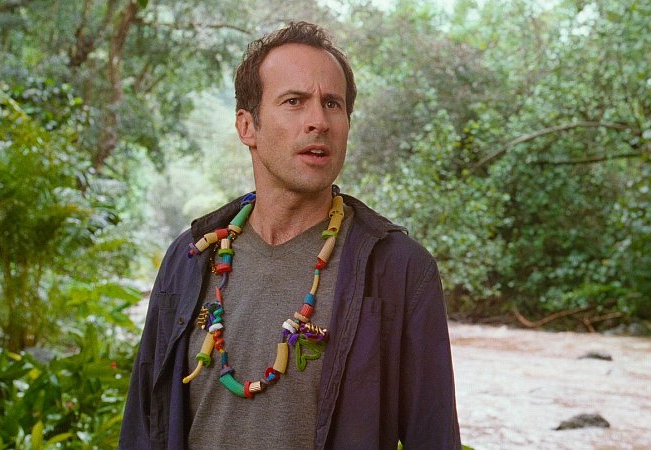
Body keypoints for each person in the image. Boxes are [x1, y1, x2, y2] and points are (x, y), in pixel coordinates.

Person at [120, 21, 461, 449]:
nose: (319, 121)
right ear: (247, 126)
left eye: (332, 104)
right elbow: (143, 426)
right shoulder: (190, 258)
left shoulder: (398, 269)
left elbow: (433, 436)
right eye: (294, 101)